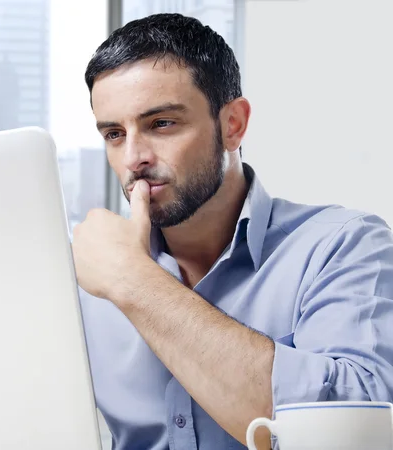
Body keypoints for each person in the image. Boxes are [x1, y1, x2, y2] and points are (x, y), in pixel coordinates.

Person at [71, 12, 393, 450]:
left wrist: (134, 281)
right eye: (113, 133)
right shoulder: (79, 274)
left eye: (161, 124)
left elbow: (356, 433)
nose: (133, 158)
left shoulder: (343, 245)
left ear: (233, 125)